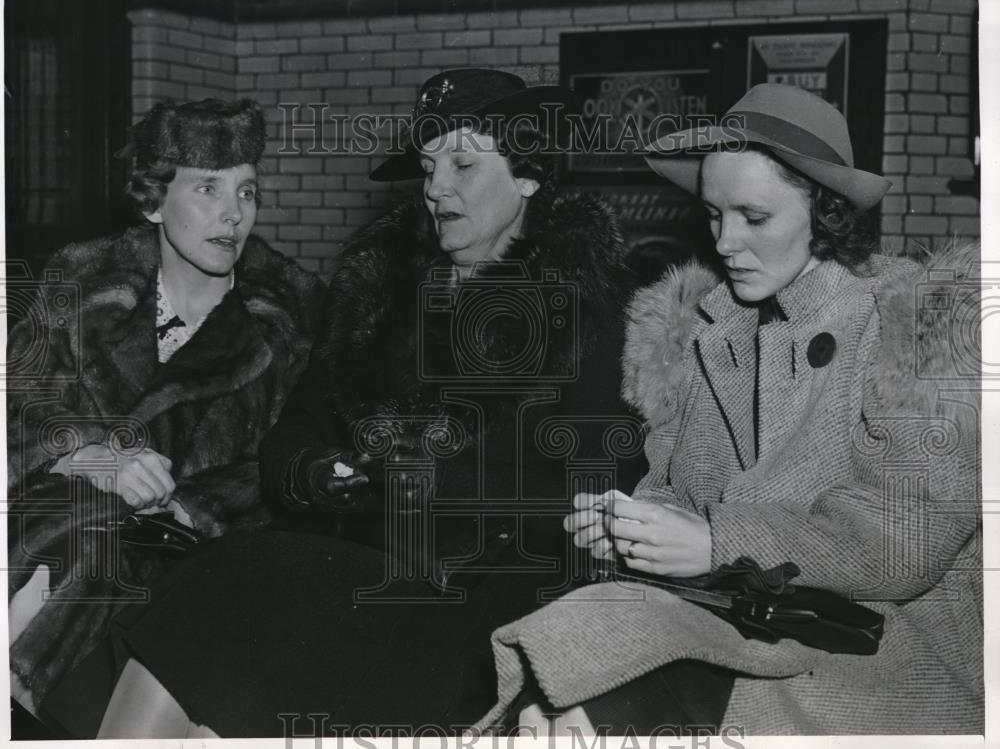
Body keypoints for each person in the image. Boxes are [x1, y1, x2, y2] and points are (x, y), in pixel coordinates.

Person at [96, 69, 645, 737]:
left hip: (476, 606)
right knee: (213, 596)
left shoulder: (591, 315)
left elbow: (599, 500)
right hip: (348, 565)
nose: (437, 186)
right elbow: (289, 441)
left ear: (528, 176)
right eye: (428, 165)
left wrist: (440, 482)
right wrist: (316, 473)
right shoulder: (378, 294)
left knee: (230, 598)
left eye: (464, 164)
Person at [478, 83, 982, 734]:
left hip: (882, 652)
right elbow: (676, 490)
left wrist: (716, 541)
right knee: (550, 692)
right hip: (746, 623)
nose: (725, 242)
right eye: (714, 215)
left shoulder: (918, 328)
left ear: (824, 209)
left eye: (754, 216)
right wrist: (635, 528)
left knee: (593, 705)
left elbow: (903, 543)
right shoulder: (707, 333)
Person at [7, 98, 324, 727]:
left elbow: (289, 461)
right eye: (208, 188)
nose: (233, 213)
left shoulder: (293, 315)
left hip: (189, 567)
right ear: (154, 201)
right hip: (57, 540)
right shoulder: (84, 278)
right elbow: (20, 405)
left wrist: (190, 506)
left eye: (247, 191)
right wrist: (90, 454)